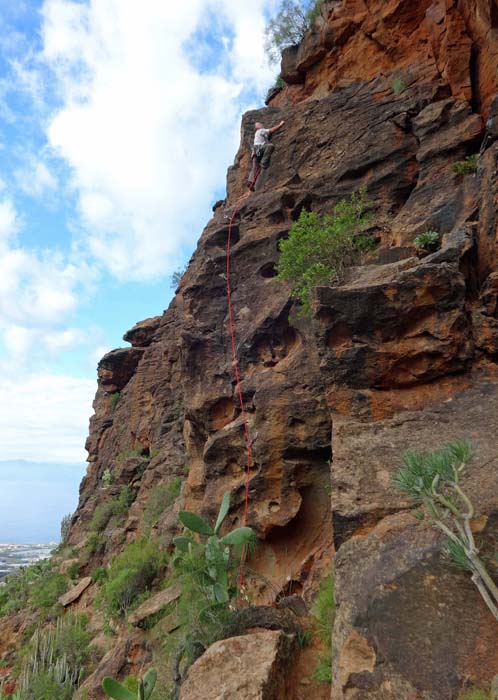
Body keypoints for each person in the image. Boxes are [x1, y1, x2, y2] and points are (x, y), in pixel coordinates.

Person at [248, 119, 285, 189]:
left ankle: (252, 183)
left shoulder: (261, 134)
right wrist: (280, 125)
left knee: (256, 168)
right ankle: (264, 163)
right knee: (270, 146)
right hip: (259, 149)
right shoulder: (261, 130)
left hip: (257, 152)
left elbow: (268, 135)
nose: (262, 125)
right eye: (259, 124)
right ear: (257, 127)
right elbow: (271, 130)